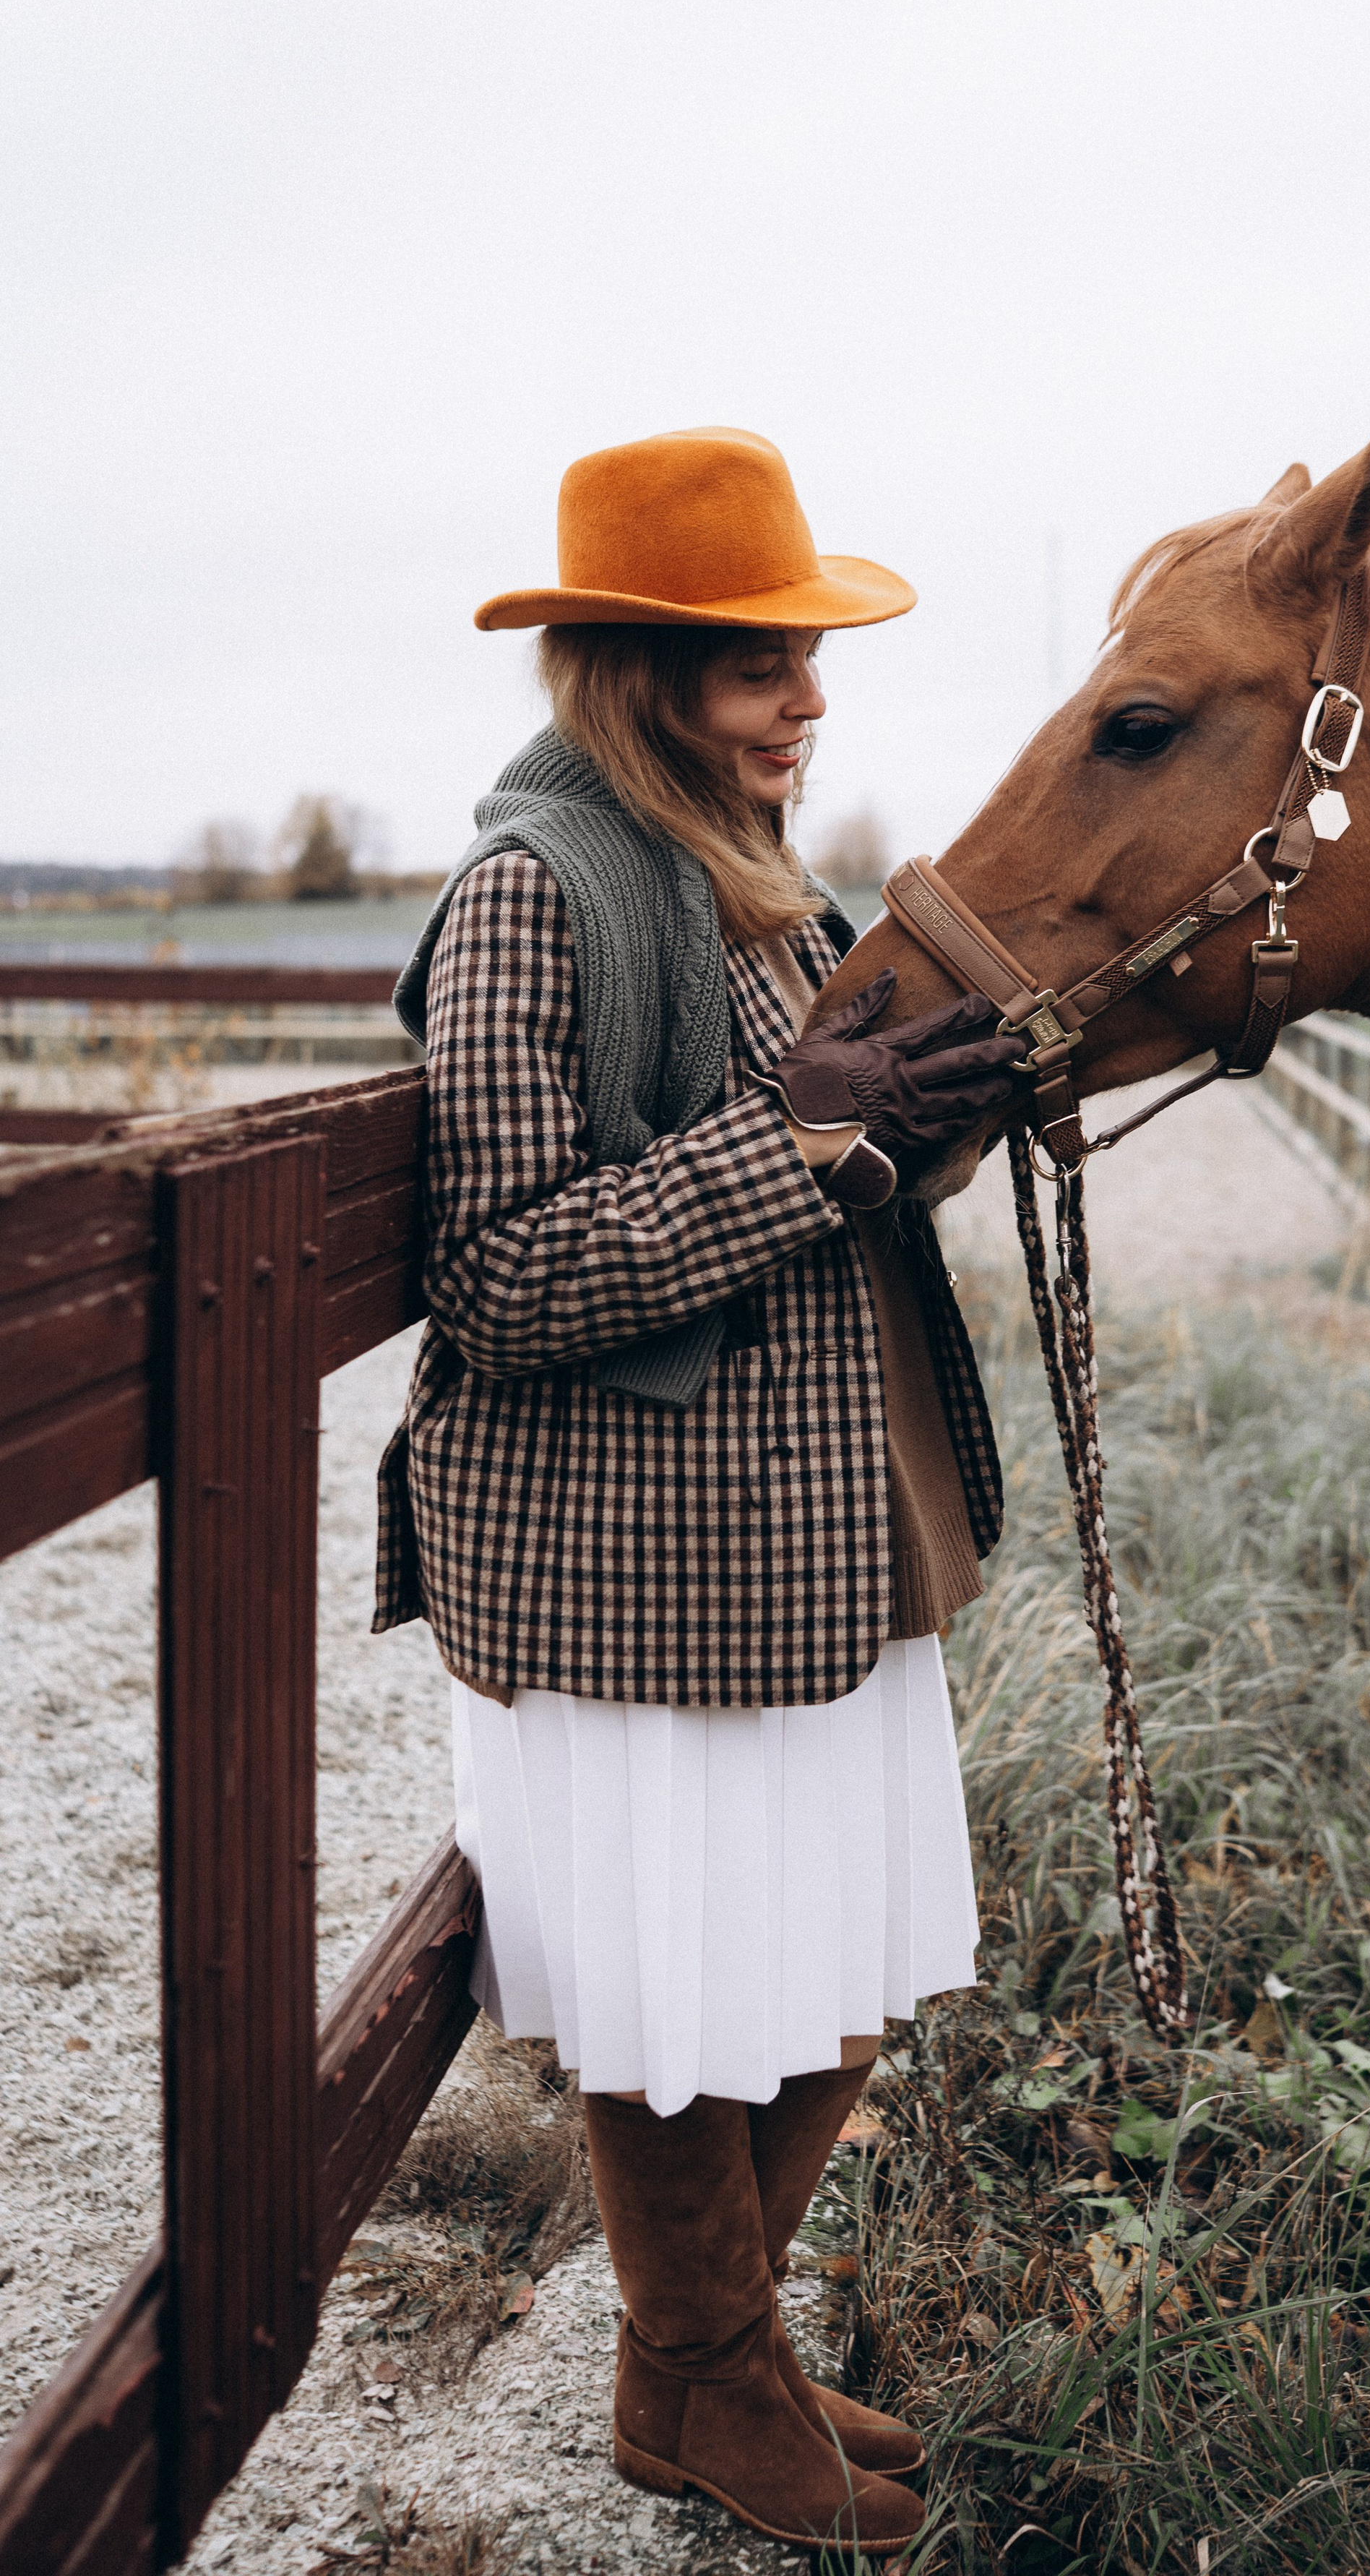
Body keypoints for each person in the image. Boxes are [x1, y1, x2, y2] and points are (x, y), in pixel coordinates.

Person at [373, 426, 1022, 2557]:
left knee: (837, 1948)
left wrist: (923, 1118)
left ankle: (695, 2366)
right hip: (638, 1554)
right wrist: (799, 1134)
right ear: (649, 677)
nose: (812, 701)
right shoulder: (529, 898)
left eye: (806, 662)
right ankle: (716, 2378)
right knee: (677, 1977)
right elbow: (495, 1268)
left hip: (811, 1527)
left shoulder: (759, 886)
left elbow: (818, 1152)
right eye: (766, 668)